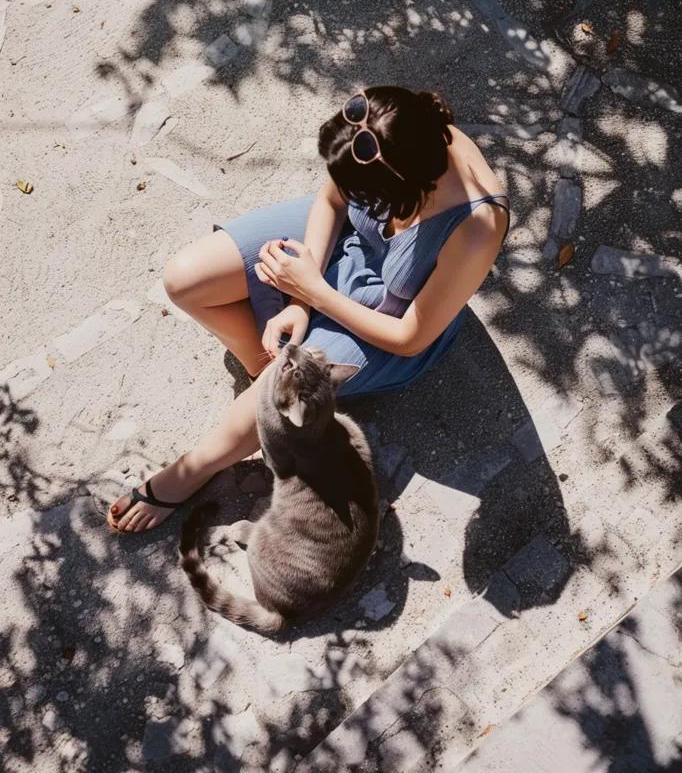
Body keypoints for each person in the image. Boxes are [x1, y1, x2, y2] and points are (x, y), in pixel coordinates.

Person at [107, 86, 509, 533]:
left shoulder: (477, 226)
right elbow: (332, 201)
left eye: (368, 195)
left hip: (392, 315)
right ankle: (263, 369)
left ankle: (193, 470)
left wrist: (313, 291)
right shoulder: (385, 130)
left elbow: (411, 338)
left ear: (401, 186)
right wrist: (300, 296)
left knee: (279, 395)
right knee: (185, 279)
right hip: (341, 248)